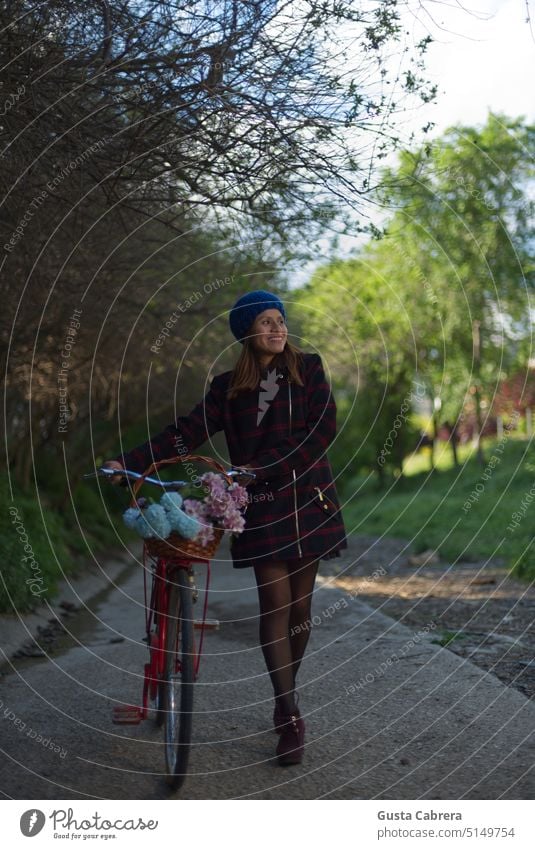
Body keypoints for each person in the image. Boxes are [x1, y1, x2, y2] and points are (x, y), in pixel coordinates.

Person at [103, 289, 348, 766]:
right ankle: (290, 713)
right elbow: (184, 433)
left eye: (280, 320)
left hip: (308, 498)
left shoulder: (309, 368)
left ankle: (284, 701)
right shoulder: (225, 388)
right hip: (259, 506)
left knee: (301, 609)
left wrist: (261, 467)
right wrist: (127, 461)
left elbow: (320, 433)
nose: (277, 328)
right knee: (274, 604)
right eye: (265, 322)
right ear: (246, 332)